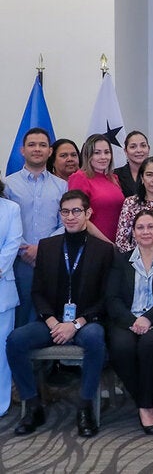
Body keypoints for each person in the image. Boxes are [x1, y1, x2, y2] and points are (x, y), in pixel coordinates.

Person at [7, 190, 114, 437]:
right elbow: (38, 292)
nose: (70, 217)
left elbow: (106, 298)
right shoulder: (48, 246)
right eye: (65, 212)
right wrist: (53, 321)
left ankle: (85, 408)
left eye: (76, 211)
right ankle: (33, 406)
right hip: (52, 320)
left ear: (88, 213)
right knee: (15, 340)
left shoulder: (102, 250)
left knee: (96, 340)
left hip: (87, 321)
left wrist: (75, 324)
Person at [105, 209, 153, 434]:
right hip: (127, 321)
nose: (146, 231)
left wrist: (148, 319)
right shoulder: (120, 261)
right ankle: (147, 403)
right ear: (133, 232)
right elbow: (112, 298)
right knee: (121, 346)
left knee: (150, 344)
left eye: (151, 227)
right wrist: (134, 321)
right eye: (140, 227)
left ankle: (145, 405)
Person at [5, 127, 67, 327]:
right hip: (19, 259)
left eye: (43, 145)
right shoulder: (7, 185)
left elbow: (65, 222)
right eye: (32, 145)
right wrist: (25, 249)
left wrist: (42, 248)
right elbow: (5, 223)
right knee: (21, 313)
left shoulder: (62, 186)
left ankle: (51, 358)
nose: (37, 149)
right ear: (22, 150)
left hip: (51, 259)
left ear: (50, 151)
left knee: (50, 311)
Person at [68, 134, 125, 244]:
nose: (103, 157)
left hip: (118, 244)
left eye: (107, 152)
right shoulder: (79, 178)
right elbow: (79, 218)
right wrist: (108, 244)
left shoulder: (113, 178)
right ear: (88, 155)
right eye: (97, 153)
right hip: (94, 244)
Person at [0, 178, 22, 416]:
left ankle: (0, 403)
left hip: (2, 287)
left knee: (0, 351)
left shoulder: (11, 209)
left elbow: (13, 242)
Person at [114, 130, 150, 197]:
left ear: (149, 149)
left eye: (143, 145)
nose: (139, 150)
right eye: (133, 147)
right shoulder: (115, 175)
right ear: (125, 151)